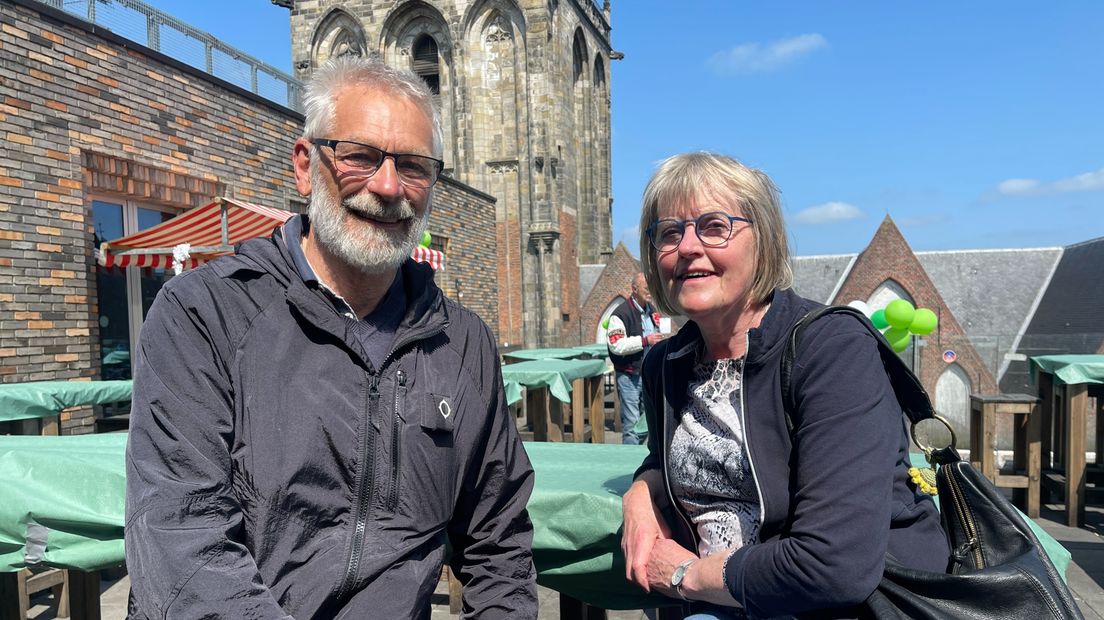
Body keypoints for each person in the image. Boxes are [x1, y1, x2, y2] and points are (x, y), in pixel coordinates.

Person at [124, 55, 537, 619]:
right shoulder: (202, 314)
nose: (388, 187)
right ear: (304, 165)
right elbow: (182, 543)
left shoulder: (462, 344)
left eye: (413, 167)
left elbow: (499, 546)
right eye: (360, 157)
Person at [619, 152, 947, 618]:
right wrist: (642, 492)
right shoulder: (663, 364)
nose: (688, 246)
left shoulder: (832, 348)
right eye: (670, 232)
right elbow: (664, 454)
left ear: (764, 241)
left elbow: (832, 566)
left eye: (715, 226)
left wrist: (684, 576)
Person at [606, 272, 665, 444]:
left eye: (652, 288)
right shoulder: (620, 314)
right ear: (634, 289)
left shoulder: (652, 311)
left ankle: (641, 461)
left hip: (647, 374)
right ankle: (629, 466)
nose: (650, 292)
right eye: (647, 288)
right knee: (632, 426)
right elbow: (616, 346)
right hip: (629, 375)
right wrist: (645, 341)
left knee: (646, 424)